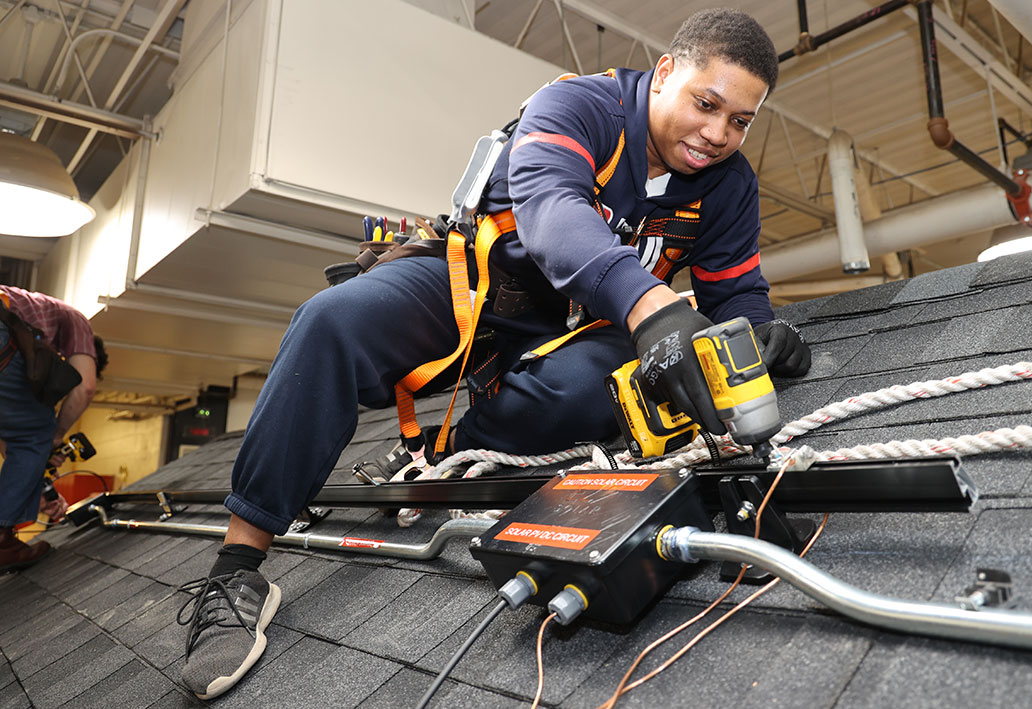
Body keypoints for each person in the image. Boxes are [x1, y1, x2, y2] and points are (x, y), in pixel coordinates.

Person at [175, 8, 812, 700]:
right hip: (484, 291)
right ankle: (238, 568)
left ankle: (454, 444)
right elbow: (552, 217)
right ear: (664, 74)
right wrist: (648, 302)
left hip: (585, 328)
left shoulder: (727, 185)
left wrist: (756, 328)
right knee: (330, 322)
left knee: (595, 391)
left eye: (740, 121)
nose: (717, 134)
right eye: (706, 103)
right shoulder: (577, 105)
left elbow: (735, 288)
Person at [0, 285, 108, 573]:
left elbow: (10, 437)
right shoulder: (77, 321)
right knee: (37, 430)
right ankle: (2, 542)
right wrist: (54, 436)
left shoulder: (33, 308)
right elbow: (84, 387)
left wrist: (37, 486)